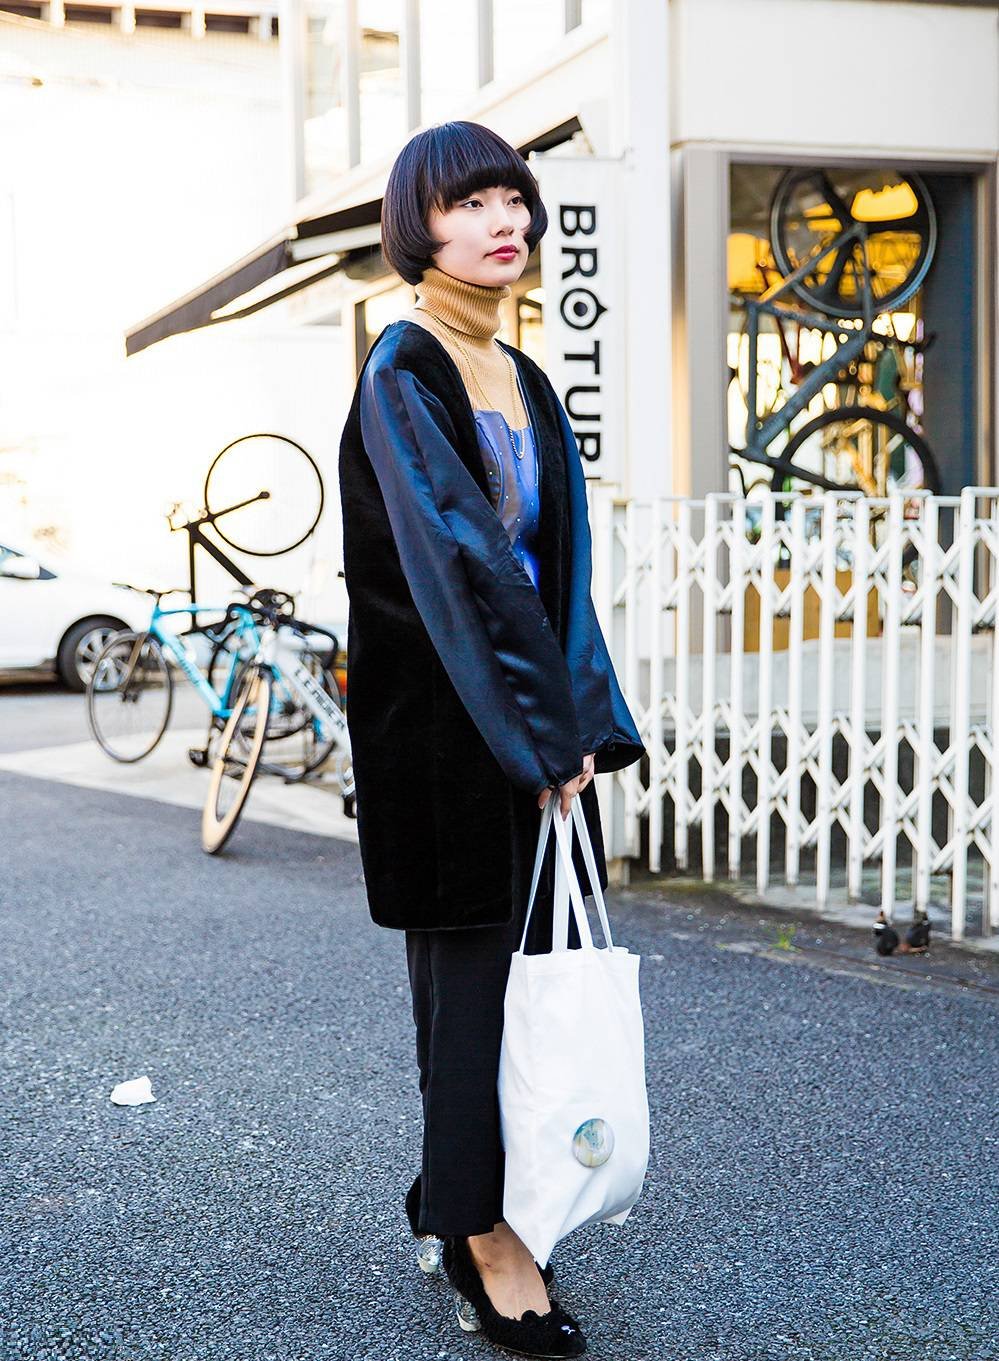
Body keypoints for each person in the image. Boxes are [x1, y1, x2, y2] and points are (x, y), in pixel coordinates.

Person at [337, 121, 645, 1358]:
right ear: (418, 227)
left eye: (512, 196)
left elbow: (558, 573)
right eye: (468, 203)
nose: (502, 219)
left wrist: (580, 725)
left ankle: (452, 1186)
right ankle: (485, 1236)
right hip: (448, 732)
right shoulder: (404, 367)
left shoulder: (522, 374)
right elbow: (462, 565)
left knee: (538, 978)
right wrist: (542, 734)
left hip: (526, 722)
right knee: (474, 990)